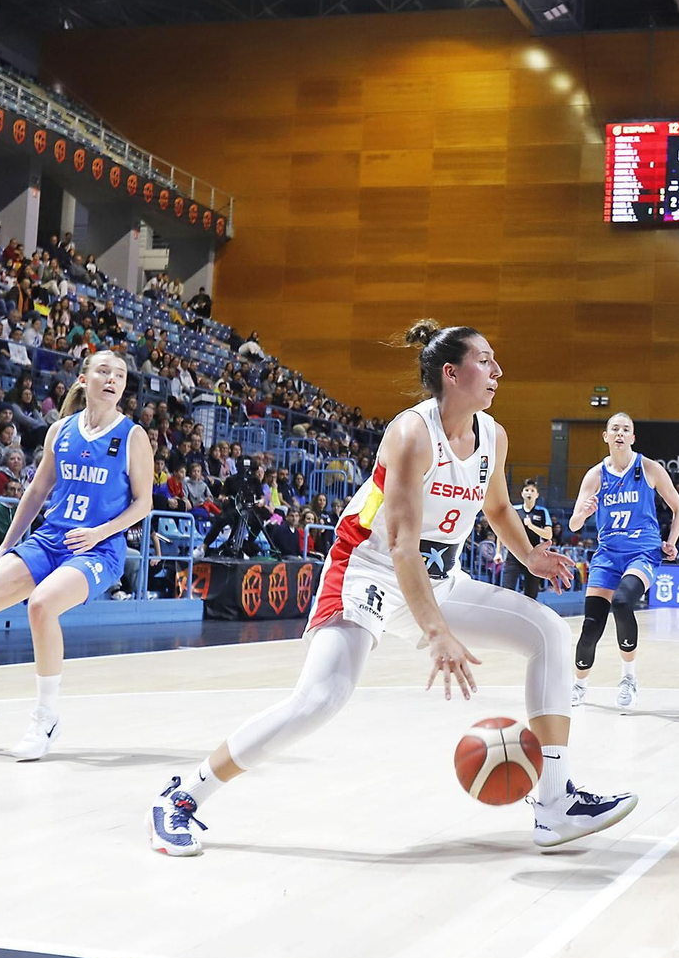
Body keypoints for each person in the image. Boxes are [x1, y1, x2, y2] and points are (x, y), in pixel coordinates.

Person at [143, 322, 636, 856]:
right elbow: (400, 545)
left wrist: (531, 555)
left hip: (437, 577)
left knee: (547, 632)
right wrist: (437, 631)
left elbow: (495, 507)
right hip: (367, 569)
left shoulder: (493, 435)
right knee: (320, 699)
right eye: (486, 361)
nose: (498, 372)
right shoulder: (411, 433)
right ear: (452, 373)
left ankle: (554, 803)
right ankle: (183, 796)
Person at [0, 351, 152, 762]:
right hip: (50, 539)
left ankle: (46, 717)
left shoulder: (132, 436)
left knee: (42, 605)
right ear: (84, 379)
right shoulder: (60, 430)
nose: (113, 379)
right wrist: (5, 546)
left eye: (119, 374)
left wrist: (100, 531)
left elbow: (144, 503)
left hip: (98, 547)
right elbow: (35, 491)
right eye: (103, 371)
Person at [564, 413, 679, 712]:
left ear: (633, 437)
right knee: (591, 626)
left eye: (626, 429)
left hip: (642, 552)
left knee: (621, 603)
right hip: (607, 555)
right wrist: (585, 512)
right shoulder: (595, 475)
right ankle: (579, 685)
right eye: (614, 429)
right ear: (606, 436)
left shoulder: (649, 468)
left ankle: (628, 679)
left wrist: (671, 541)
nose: (620, 433)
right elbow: (574, 525)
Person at [495, 478, 553, 602]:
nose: (529, 493)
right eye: (526, 490)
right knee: (507, 591)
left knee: (531, 596)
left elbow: (548, 534)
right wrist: (498, 552)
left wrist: (531, 526)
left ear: (537, 495)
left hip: (533, 557)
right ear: (522, 493)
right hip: (513, 556)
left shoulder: (542, 512)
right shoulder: (514, 510)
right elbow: (502, 532)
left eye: (532, 490)